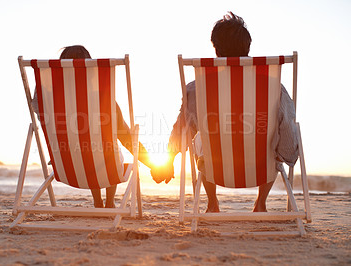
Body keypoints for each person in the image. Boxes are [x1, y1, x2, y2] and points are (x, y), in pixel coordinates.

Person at [151, 12, 298, 212]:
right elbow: (288, 130)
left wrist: (169, 160)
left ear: (216, 50)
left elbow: (182, 128)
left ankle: (212, 203)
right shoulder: (273, 88)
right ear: (248, 48)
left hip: (216, 169)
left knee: (199, 140)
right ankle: (260, 203)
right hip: (260, 168)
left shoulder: (198, 89)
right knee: (274, 138)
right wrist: (287, 156)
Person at [32, 45, 153, 208]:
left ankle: (98, 201)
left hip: (67, 165)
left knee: (87, 148)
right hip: (103, 163)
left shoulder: (48, 97)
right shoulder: (101, 97)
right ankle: (109, 202)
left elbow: (37, 109)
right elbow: (125, 137)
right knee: (107, 148)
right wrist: (154, 166)